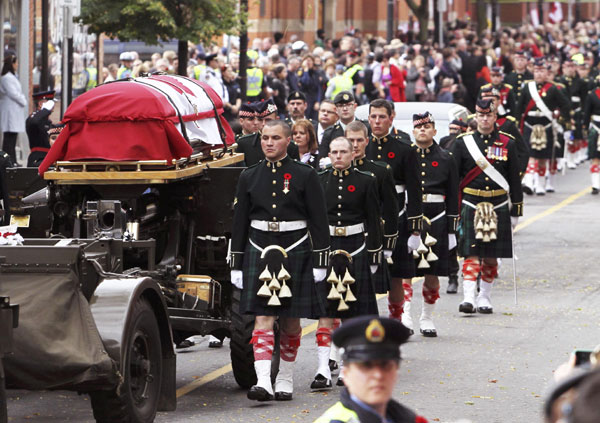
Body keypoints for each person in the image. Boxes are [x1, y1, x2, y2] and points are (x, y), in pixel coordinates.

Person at [230, 120, 330, 402]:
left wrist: (321, 259)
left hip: (295, 246)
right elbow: (239, 222)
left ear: (289, 141)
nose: (269, 143)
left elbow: (319, 220)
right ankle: (263, 381)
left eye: (275, 138)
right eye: (264, 138)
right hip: (259, 247)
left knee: (290, 321)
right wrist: (237, 262)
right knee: (263, 316)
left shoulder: (305, 174)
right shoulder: (248, 176)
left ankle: (285, 376)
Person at [311, 137, 383, 390]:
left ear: (353, 153)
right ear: (328, 155)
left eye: (343, 152)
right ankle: (322, 369)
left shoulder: (366, 180)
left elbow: (374, 219)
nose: (338, 156)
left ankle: (346, 368)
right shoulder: (318, 180)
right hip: (327, 247)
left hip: (357, 246)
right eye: (334, 152)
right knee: (325, 310)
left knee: (352, 312)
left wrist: (375, 255)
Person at [451, 99, 523, 314]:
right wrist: (453, 211)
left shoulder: (507, 143)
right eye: (480, 115)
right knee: (470, 253)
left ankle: (484, 296)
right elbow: (454, 180)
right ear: (475, 116)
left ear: (494, 117)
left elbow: (514, 179)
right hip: (471, 202)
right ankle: (468, 297)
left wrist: (516, 210)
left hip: (498, 202)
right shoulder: (463, 143)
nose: (484, 119)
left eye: (488, 115)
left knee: (491, 255)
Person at [401, 112, 458, 337]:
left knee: (431, 272)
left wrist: (452, 228)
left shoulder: (446, 157)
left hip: (437, 217)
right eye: (418, 127)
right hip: (409, 216)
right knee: (405, 269)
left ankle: (426, 317)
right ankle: (405, 314)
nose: (422, 130)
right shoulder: (406, 155)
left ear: (435, 131)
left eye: (427, 127)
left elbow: (454, 194)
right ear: (413, 131)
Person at [365, 99, 422, 324]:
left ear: (391, 118)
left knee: (396, 276)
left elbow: (415, 190)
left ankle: (396, 320)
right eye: (373, 117)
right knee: (365, 275)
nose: (377, 121)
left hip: (396, 219)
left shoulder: (404, 149)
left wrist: (415, 230)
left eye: (381, 117)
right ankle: (366, 321)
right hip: (366, 219)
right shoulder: (360, 146)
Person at [314, 316, 429, 423]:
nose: (378, 375)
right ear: (346, 374)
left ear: (396, 372)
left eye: (385, 366)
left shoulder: (410, 419)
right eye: (366, 366)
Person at [347, 121, 399, 295]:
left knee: (365, 296)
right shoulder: (329, 172)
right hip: (339, 237)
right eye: (351, 140)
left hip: (370, 238)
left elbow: (391, 210)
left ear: (367, 141)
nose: (355, 145)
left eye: (359, 140)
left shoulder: (380, 171)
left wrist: (388, 244)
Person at [518, 58, 569, 196]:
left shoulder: (553, 88)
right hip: (530, 125)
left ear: (547, 73)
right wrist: (517, 125)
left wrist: (559, 115)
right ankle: (529, 182)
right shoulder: (527, 87)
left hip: (546, 126)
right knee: (530, 155)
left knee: (542, 157)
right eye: (536, 71)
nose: (539, 74)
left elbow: (565, 105)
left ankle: (540, 185)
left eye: (542, 71)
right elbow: (519, 108)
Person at [236, 99, 300, 166]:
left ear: (277, 119)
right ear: (255, 121)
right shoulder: (244, 143)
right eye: (260, 120)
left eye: (268, 120)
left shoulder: (290, 146)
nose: (264, 124)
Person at [319, 91, 369, 160]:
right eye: (341, 105)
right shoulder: (330, 133)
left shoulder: (367, 127)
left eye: (348, 105)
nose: (345, 109)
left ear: (355, 107)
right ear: (335, 109)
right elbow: (322, 161)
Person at [0, 54, 27, 165]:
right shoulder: (6, 78)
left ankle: (13, 160)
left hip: (14, 111)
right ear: (11, 64)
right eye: (16, 63)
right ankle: (8, 161)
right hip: (10, 111)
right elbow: (14, 93)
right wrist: (23, 100)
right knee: (9, 139)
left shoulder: (12, 76)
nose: (17, 65)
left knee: (12, 138)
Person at [26, 90, 56, 167]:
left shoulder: (47, 121)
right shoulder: (33, 117)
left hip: (48, 158)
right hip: (38, 159)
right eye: (51, 103)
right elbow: (34, 122)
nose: (53, 106)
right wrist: (45, 110)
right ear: (41, 103)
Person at [583, 75, 600, 194]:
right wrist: (585, 127)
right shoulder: (592, 95)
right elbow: (587, 112)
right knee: (595, 156)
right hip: (596, 127)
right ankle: (595, 184)